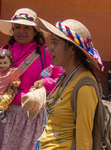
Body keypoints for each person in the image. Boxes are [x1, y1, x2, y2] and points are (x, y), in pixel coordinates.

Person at [0, 8, 62, 150]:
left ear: (35, 31)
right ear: (13, 30)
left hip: (26, 117)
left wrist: (43, 83)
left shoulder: (45, 53)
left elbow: (60, 79)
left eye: (26, 28)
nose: (21, 31)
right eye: (17, 27)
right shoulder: (5, 49)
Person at [35, 18, 104, 149]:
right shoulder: (64, 77)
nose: (50, 48)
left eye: (55, 42)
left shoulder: (84, 88)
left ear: (72, 49)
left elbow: (84, 141)